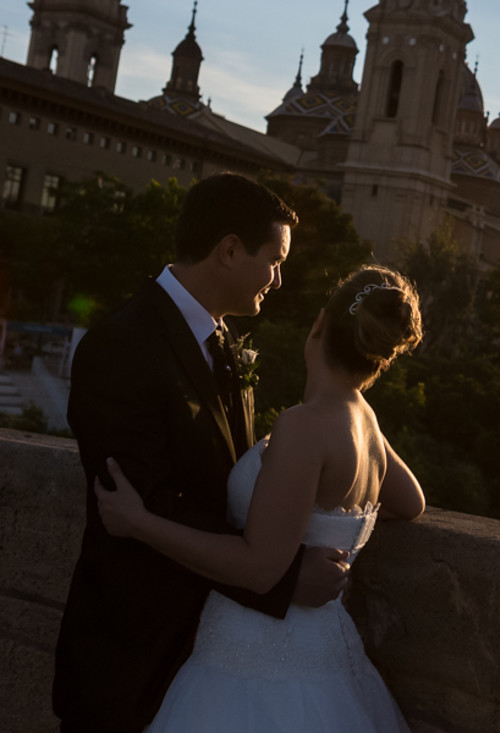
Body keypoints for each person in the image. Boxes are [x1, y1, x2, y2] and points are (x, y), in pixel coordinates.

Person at [54, 173, 350, 733]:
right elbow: (142, 504)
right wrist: (280, 580)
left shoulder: (223, 340)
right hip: (134, 660)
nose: (280, 279)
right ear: (230, 250)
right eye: (275, 259)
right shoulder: (121, 345)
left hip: (209, 657)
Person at [96, 265, 425, 732]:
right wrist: (331, 531)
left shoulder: (304, 425)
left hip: (252, 662)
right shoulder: (364, 419)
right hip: (328, 656)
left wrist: (138, 522)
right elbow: (411, 502)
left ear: (319, 324)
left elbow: (258, 568)